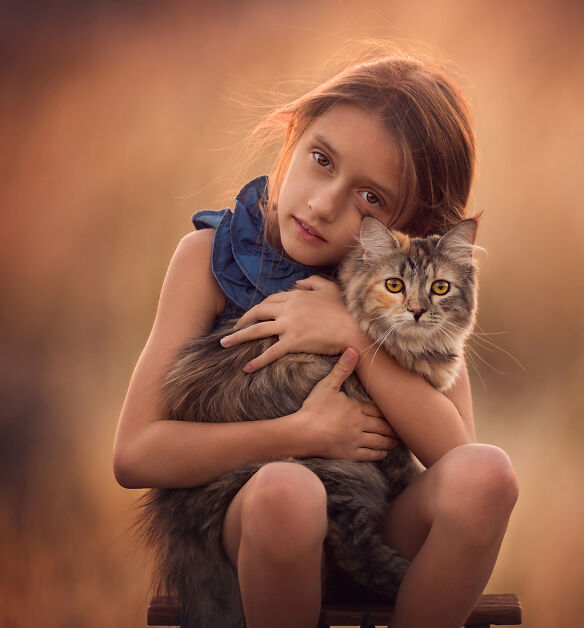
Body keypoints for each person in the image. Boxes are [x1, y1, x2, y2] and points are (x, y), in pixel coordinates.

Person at [112, 53, 518, 628]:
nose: (323, 204)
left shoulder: (404, 293)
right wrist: (298, 434)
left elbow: (457, 456)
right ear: (293, 136)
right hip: (253, 524)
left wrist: (353, 331)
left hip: (375, 522)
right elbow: (134, 455)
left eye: (371, 198)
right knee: (288, 492)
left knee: (490, 475)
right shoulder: (208, 258)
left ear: (416, 226)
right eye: (321, 160)